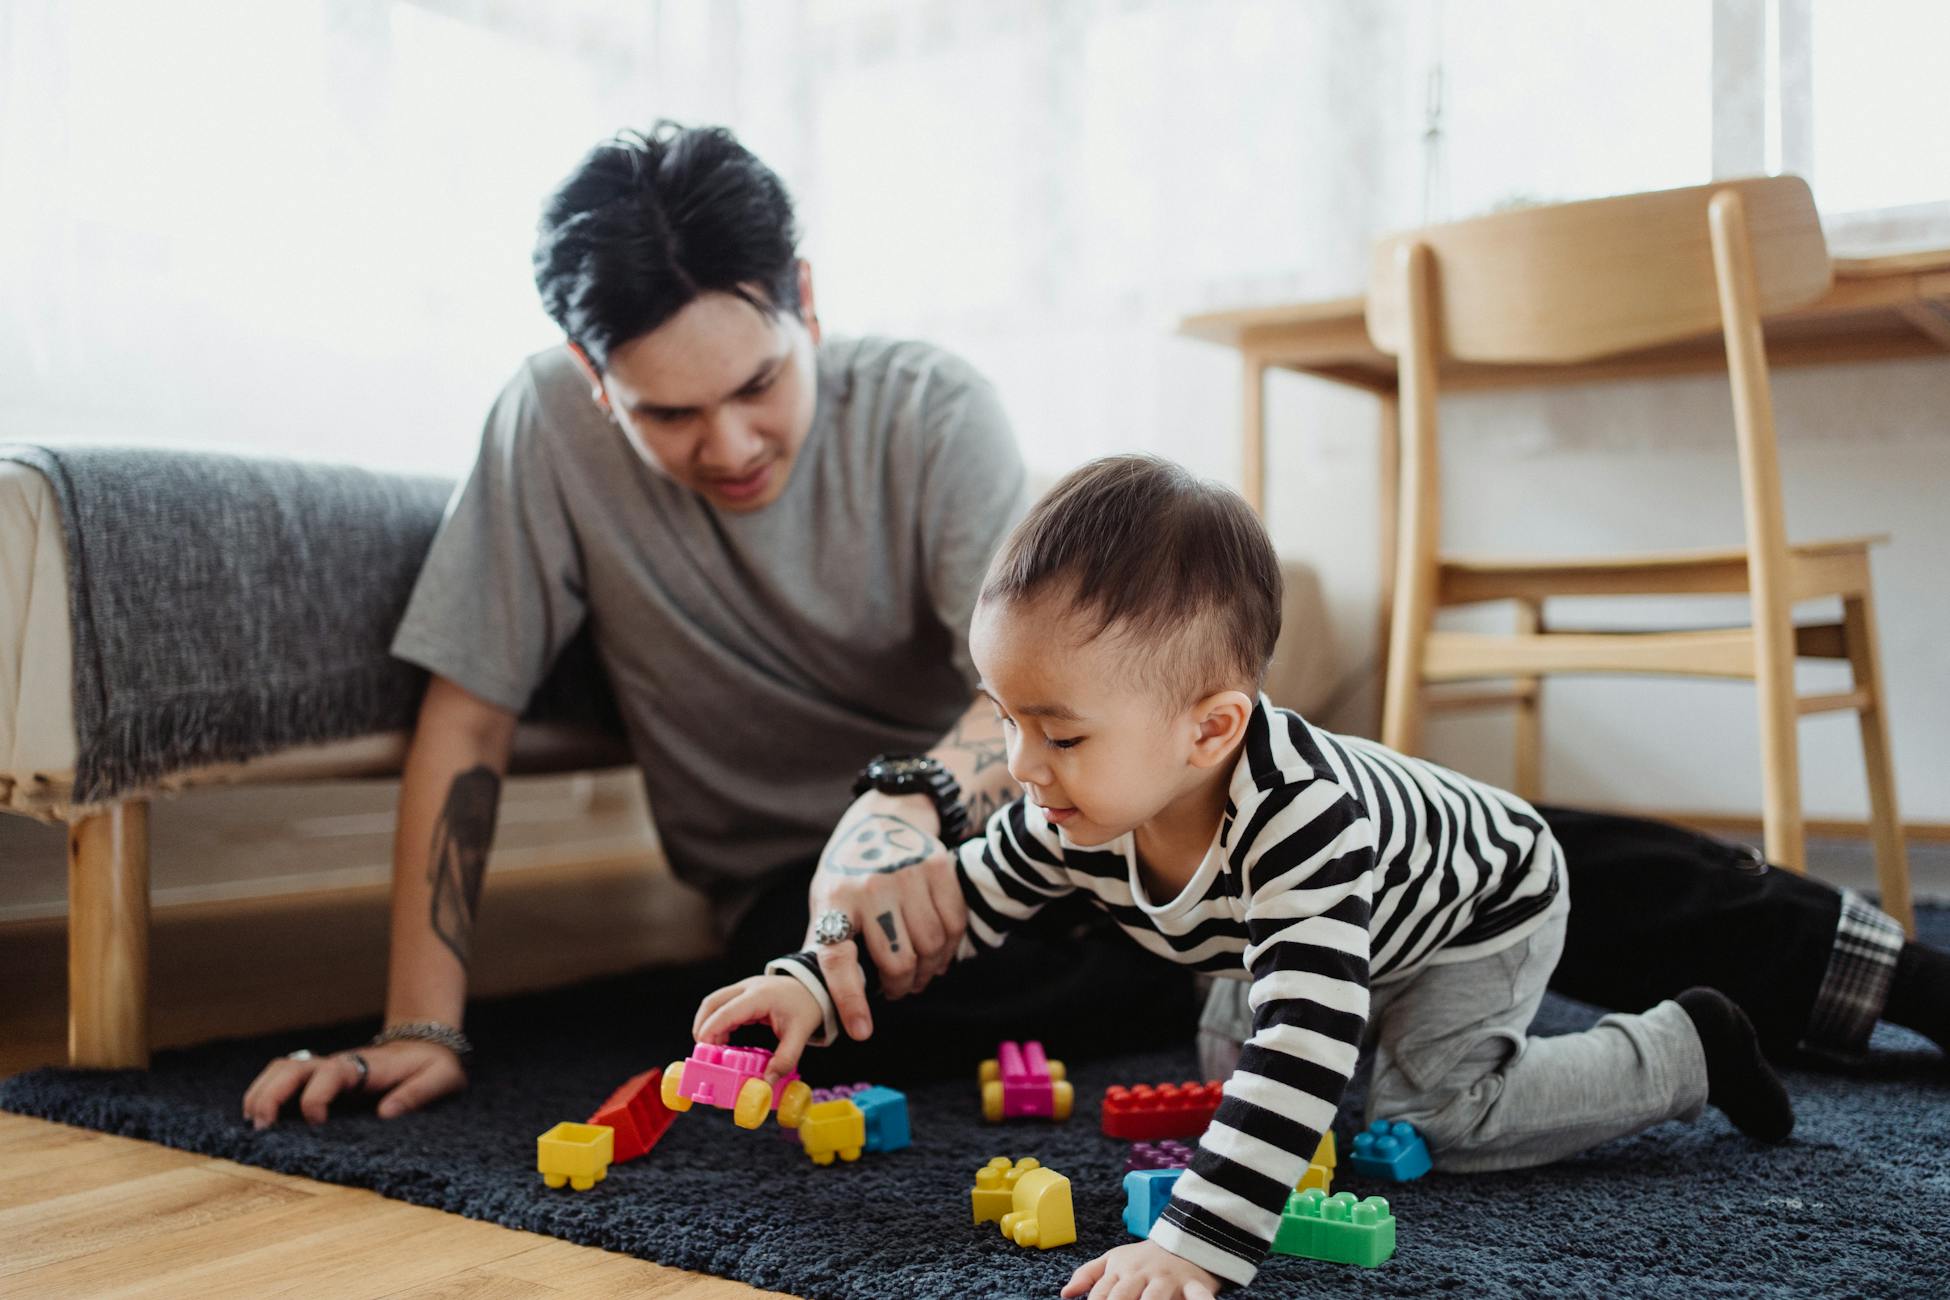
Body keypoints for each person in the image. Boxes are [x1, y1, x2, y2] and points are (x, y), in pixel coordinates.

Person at [241, 121, 1189, 1130]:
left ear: (807, 305)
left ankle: (1194, 961)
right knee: (828, 1009)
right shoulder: (546, 425)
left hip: (1000, 839)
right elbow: (470, 720)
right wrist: (419, 1028)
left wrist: (907, 804)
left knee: (1155, 879)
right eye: (667, 414)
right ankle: (1185, 977)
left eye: (757, 384)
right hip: (785, 889)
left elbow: (1026, 696)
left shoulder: (935, 412)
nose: (731, 446)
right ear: (592, 375)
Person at [692, 455, 1799, 1299]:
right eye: (1009, 717)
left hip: (1480, 903)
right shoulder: (1070, 811)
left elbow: (1311, 1038)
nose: (1021, 768)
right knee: (1231, 1061)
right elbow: (965, 902)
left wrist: (1193, 1246)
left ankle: (1686, 1047)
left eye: (1061, 735)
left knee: (1440, 1114)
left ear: (1210, 727)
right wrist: (806, 972)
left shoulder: (1299, 826)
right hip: (1336, 922)